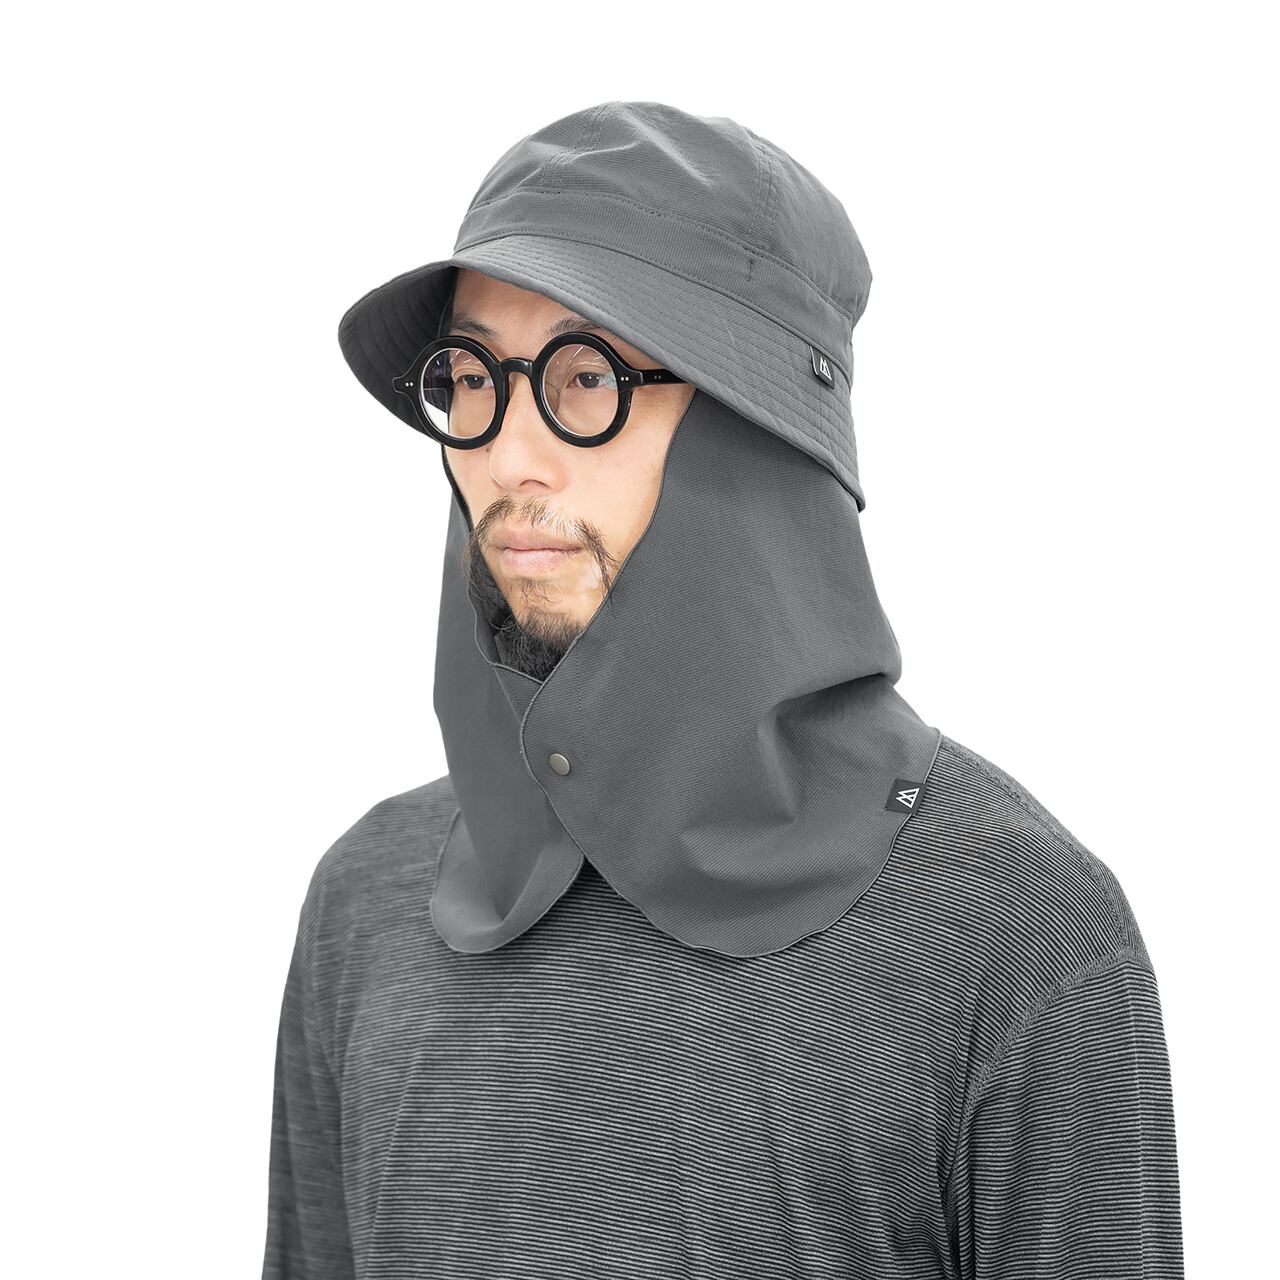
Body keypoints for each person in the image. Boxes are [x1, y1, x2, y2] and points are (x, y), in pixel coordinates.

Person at [262, 100, 1184, 1278]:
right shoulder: (367, 903)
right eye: (472, 375)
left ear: (758, 426)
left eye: (584, 375)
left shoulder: (1020, 937)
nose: (505, 453)